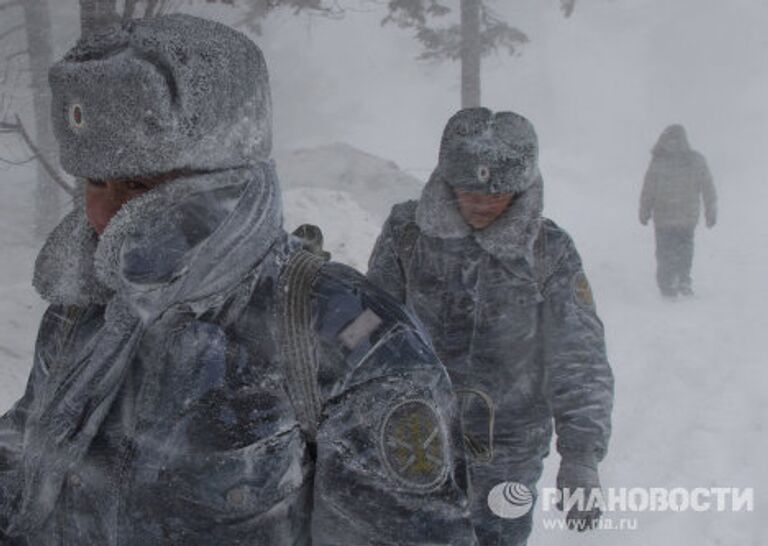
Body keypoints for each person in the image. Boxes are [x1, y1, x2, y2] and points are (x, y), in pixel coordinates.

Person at [0, 15, 477, 545]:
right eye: (94, 179)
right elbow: (24, 466)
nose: (106, 213)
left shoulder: (347, 344)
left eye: (138, 183)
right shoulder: (82, 311)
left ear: (225, 181)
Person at [368, 108, 614, 545]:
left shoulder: (548, 252)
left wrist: (580, 454)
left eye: (497, 193)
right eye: (468, 190)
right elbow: (371, 333)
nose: (482, 202)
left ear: (521, 191)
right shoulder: (407, 235)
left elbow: (578, 354)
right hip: (415, 439)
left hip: (509, 451)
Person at [639, 124, 717, 297]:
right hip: (685, 218)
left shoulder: (659, 161)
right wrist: (711, 211)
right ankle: (682, 279)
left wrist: (644, 210)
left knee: (665, 251)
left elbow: (648, 189)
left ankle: (668, 283)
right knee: (684, 249)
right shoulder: (695, 160)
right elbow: (708, 188)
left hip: (666, 218)